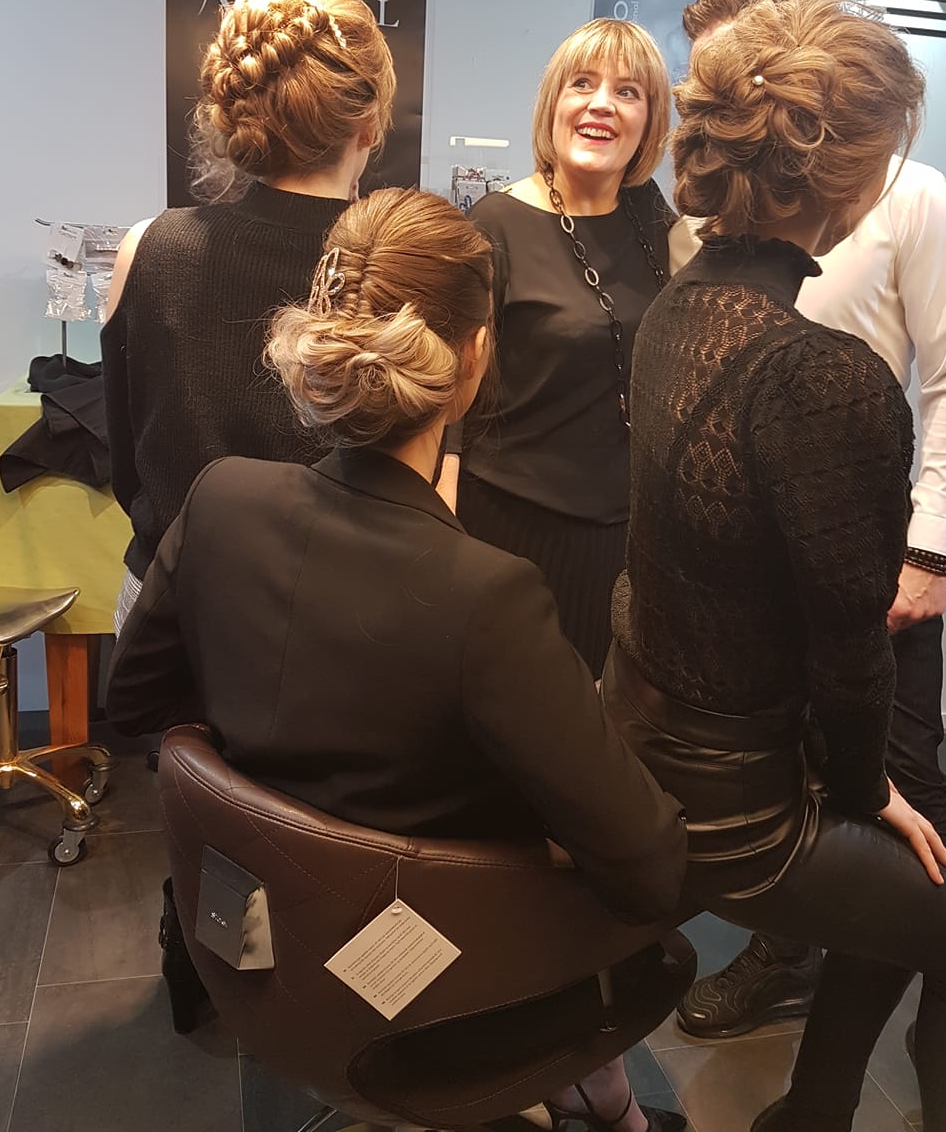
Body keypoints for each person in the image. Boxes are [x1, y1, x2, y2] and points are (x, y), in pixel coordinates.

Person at [106, 187, 689, 1132]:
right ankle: (604, 1102)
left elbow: (134, 703)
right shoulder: (486, 597)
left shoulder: (221, 501)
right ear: (474, 359)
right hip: (435, 1000)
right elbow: (651, 871)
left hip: (260, 951)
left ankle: (597, 1096)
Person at [604, 0, 946, 1132]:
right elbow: (848, 653)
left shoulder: (672, 310)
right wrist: (863, 789)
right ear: (849, 180)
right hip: (738, 803)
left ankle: (816, 1110)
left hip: (644, 733)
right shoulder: (823, 377)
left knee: (916, 867)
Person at [102, 0, 396, 630]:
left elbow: (127, 462)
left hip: (167, 604)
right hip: (330, 615)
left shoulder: (147, 248)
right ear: (368, 124)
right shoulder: (393, 267)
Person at [441, 19, 675, 676]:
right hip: (511, 523)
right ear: (554, 104)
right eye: (583, 84)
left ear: (649, 121)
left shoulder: (656, 221)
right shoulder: (495, 225)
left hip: (624, 534)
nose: (602, 104)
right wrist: (441, 512)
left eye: (627, 92)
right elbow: (452, 387)